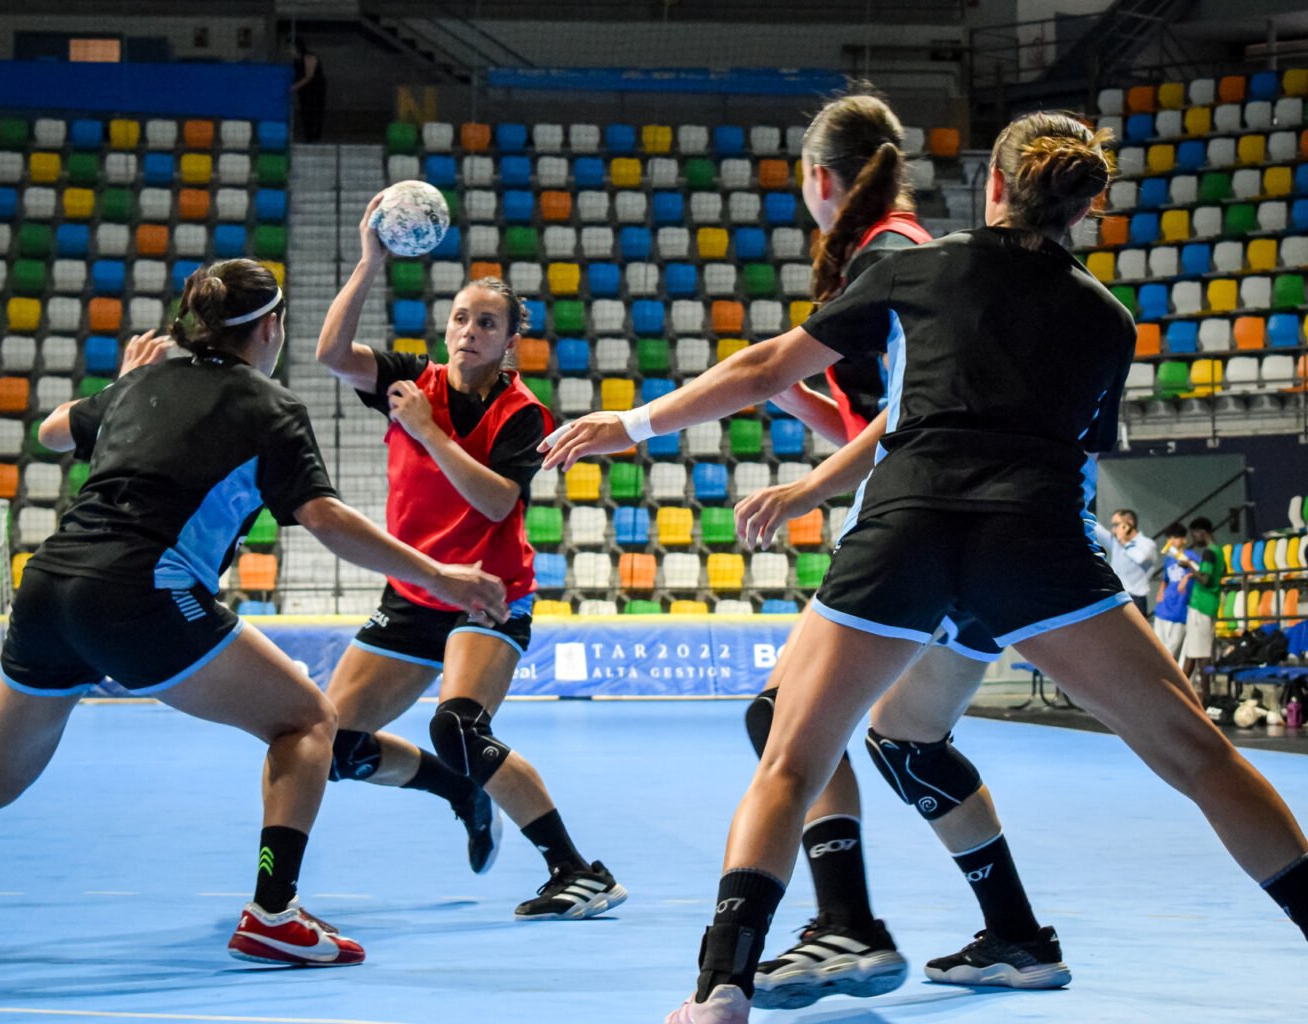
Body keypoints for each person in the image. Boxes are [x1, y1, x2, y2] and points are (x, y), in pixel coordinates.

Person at [541, 112, 1308, 1024]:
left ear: (992, 186)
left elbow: (764, 368)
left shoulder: (911, 267)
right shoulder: (1108, 321)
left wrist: (628, 425)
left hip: (904, 526)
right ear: (1085, 208)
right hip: (1035, 541)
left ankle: (720, 992)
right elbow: (1078, 453)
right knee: (1201, 757)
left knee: (789, 754)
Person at [0, 259, 511, 966]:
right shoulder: (271, 408)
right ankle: (272, 913)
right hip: (143, 592)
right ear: (268, 331)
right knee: (307, 722)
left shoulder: (141, 384)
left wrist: (125, 383)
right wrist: (437, 575)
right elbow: (321, 518)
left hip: (49, 589)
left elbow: (54, 433)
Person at [734, 94, 1061, 1010]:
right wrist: (811, 416)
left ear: (819, 179)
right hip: (967, 528)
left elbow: (910, 415)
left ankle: (848, 926)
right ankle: (1017, 937)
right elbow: (884, 407)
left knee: (785, 718)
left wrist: (807, 485)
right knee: (908, 741)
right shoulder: (905, 249)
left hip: (927, 526)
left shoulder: (890, 253)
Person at [312, 195, 625, 921]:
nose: (469, 331)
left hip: (488, 595)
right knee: (329, 746)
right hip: (414, 594)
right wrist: (370, 261)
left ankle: (576, 871)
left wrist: (427, 434)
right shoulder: (405, 379)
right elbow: (330, 354)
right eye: (460, 318)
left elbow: (493, 504)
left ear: (511, 340)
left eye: (487, 322)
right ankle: (455, 789)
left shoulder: (524, 414)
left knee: (457, 726)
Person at [1179, 516, 1225, 703]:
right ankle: (1179, 692)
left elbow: (1205, 580)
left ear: (1201, 532)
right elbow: (1223, 572)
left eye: (1194, 534)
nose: (1193, 539)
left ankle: (1206, 698)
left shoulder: (1208, 553)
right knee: (1192, 651)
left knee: (1202, 654)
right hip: (1209, 604)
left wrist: (1190, 567)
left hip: (1202, 606)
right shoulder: (1219, 551)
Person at [1093, 508, 1158, 616]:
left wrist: (1125, 542)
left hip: (1135, 599)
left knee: (1135, 633)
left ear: (1129, 524)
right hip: (1117, 596)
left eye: (1116, 525)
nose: (1114, 530)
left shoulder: (1147, 543)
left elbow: (1140, 558)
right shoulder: (1116, 541)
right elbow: (1096, 528)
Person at [1152, 522, 1195, 662]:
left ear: (1184, 539)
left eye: (1175, 537)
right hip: (1164, 608)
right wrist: (1161, 591)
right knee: (1158, 647)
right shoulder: (1169, 559)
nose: (1172, 541)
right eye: (1170, 538)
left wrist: (1188, 576)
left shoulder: (1190, 557)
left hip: (1180, 609)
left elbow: (1202, 572)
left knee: (1171, 649)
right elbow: (1166, 578)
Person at [290, 38, 326, 143]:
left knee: (315, 112)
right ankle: (309, 136)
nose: (289, 51)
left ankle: (316, 136)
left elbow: (309, 76)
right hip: (305, 89)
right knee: (305, 112)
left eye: (291, 48)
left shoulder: (309, 57)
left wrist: (294, 87)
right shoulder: (296, 60)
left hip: (316, 88)